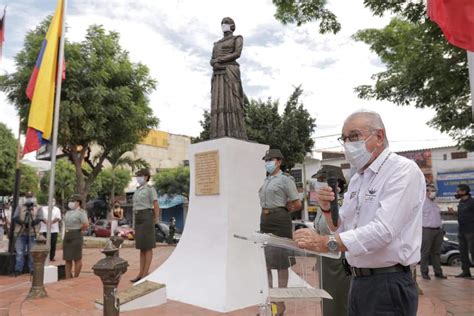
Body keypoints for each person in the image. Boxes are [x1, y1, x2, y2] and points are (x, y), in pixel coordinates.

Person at [293, 110, 425, 316]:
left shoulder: (402, 170)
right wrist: (328, 210)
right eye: (344, 138)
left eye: (354, 136)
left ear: (379, 136)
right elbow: (343, 226)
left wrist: (323, 242)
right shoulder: (358, 178)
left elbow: (383, 230)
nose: (347, 144)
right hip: (357, 280)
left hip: (387, 282)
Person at [259, 149, 301, 316]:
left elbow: (297, 204)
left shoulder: (285, 180)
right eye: (266, 159)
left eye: (271, 159)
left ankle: (280, 303)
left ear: (279, 162)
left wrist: (283, 211)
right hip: (265, 220)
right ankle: (271, 300)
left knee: (281, 263)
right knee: (267, 263)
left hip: (280, 222)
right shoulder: (267, 180)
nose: (267, 162)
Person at [312, 165, 352, 316]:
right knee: (327, 302)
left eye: (323, 180)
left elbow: (345, 234)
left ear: (337, 186)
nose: (319, 184)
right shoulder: (321, 207)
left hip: (339, 260)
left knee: (340, 301)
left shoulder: (344, 206)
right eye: (318, 180)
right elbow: (318, 230)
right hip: (324, 260)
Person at [209, 17, 247, 140]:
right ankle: (218, 132)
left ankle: (235, 132)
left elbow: (237, 53)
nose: (223, 25)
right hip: (218, 73)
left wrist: (220, 60)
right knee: (218, 100)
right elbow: (212, 58)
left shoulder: (237, 38)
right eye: (222, 23)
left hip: (230, 71)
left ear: (232, 25)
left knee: (231, 99)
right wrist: (214, 63)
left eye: (226, 23)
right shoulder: (216, 43)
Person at [131, 168, 160, 283]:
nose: (138, 178)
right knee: (141, 247)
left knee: (147, 246)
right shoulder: (137, 190)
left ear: (146, 177)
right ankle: (140, 273)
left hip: (147, 216)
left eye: (140, 175)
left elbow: (155, 203)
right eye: (137, 176)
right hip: (138, 217)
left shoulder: (150, 189)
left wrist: (156, 218)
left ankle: (145, 273)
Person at [420, 184, 446, 280]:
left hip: (438, 230)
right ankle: (424, 272)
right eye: (430, 190)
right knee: (425, 252)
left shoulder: (436, 202)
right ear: (426, 191)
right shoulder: (422, 202)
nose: (432, 192)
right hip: (427, 230)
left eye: (434, 190)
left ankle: (438, 272)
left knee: (436, 253)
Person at [13, 192, 43, 275]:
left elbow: (40, 218)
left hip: (32, 233)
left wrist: (31, 223)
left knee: (32, 253)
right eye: (27, 197)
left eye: (31, 196)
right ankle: (18, 269)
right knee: (19, 253)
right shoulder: (20, 206)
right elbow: (15, 217)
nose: (29, 198)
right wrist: (23, 223)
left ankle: (32, 269)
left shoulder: (38, 207)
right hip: (21, 232)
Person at [63, 195, 89, 279]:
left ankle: (76, 277)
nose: (70, 203)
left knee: (76, 257)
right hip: (67, 235)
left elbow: (85, 224)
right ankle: (67, 277)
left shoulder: (81, 212)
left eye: (73, 201)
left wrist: (79, 229)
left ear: (78, 202)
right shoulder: (68, 212)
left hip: (76, 234)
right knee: (67, 258)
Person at [453, 184, 474, 279]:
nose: (456, 193)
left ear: (464, 191)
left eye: (458, 191)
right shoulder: (461, 202)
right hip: (461, 231)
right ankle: (465, 271)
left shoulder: (472, 202)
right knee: (462, 252)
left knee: (473, 252)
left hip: (471, 231)